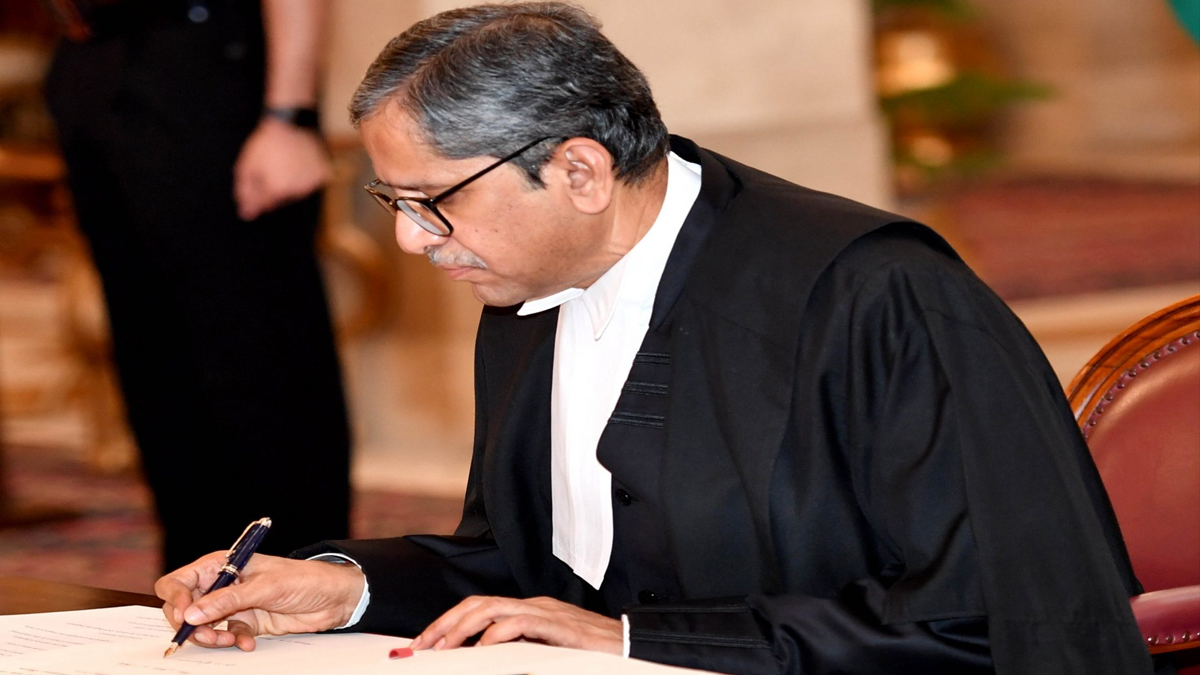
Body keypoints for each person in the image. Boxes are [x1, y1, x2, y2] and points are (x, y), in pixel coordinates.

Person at [155, 3, 1153, 674]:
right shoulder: (523, 284)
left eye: (431, 202)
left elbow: (998, 619)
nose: (413, 241)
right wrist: (344, 587)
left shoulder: (874, 296)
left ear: (580, 172)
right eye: (394, 202)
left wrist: (632, 638)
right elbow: (528, 568)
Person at [43, 0, 351, 572]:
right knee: (152, 358)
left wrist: (289, 117)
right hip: (89, 56)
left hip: (202, 60)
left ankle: (301, 573)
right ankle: (196, 572)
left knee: (256, 348)